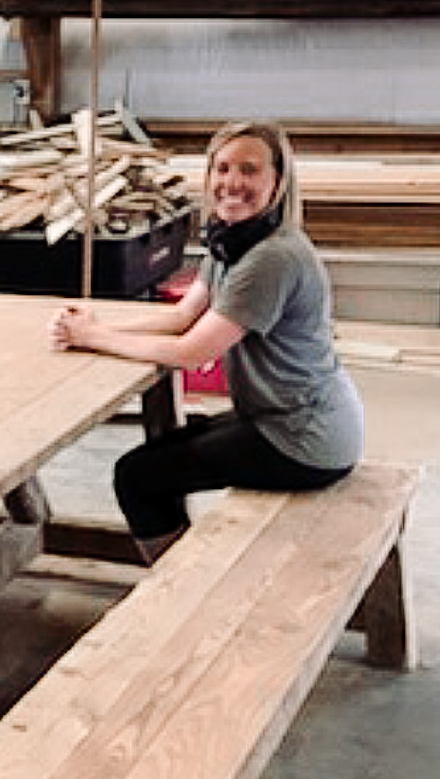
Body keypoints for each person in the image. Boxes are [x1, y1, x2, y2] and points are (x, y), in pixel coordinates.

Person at [49, 119, 363, 564]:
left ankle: (176, 589)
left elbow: (192, 352)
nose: (232, 182)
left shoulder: (271, 257)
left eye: (250, 171)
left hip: (305, 439)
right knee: (168, 449)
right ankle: (181, 568)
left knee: (137, 476)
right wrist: (98, 327)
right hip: (284, 417)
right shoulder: (231, 242)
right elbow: (181, 317)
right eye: (223, 168)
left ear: (278, 181)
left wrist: (94, 337)